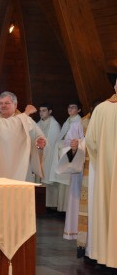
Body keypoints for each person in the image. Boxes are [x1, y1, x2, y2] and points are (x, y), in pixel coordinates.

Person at [85, 75, 117, 269]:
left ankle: (106, 257)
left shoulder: (102, 108)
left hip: (107, 171)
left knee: (106, 209)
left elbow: (90, 141)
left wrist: (102, 162)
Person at [0, 91, 47, 181]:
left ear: (15, 105)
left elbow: (38, 136)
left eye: (7, 103)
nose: (3, 106)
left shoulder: (27, 121)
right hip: (0, 166)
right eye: (1, 103)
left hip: (20, 166)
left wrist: (39, 142)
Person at [77, 99, 102, 257]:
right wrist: (74, 148)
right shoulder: (86, 124)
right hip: (92, 170)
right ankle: (91, 249)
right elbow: (85, 145)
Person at [49, 100, 83, 212]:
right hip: (63, 152)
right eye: (69, 107)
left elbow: (78, 140)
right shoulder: (68, 121)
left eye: (73, 107)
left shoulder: (79, 122)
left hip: (70, 154)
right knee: (62, 184)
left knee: (69, 183)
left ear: (79, 110)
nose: (70, 109)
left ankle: (68, 210)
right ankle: (62, 209)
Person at [37, 103, 62, 208]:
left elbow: (53, 143)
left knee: (48, 179)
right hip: (39, 156)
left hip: (49, 156)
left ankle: (50, 205)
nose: (41, 113)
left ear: (50, 112)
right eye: (40, 111)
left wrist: (43, 145)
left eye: (44, 110)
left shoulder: (54, 125)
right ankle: (40, 205)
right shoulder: (38, 123)